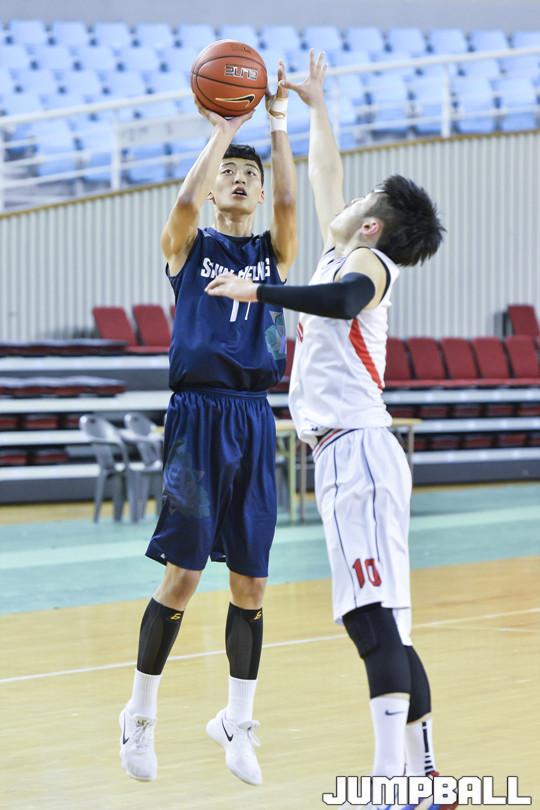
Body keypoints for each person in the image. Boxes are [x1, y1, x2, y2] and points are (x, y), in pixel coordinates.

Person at [206, 51, 456, 810]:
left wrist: (258, 290)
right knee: (388, 626)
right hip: (355, 453)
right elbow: (325, 173)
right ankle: (424, 780)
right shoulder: (344, 245)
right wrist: (315, 106)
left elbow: (344, 302)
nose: (345, 198)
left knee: (371, 620)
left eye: (363, 200)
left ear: (372, 223)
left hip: (357, 451)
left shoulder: (369, 263)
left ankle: (389, 784)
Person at [119, 63, 297, 786]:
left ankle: (237, 721)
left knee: (251, 583)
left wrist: (276, 125)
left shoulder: (274, 254)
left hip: (253, 417)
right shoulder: (187, 248)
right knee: (184, 574)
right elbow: (184, 202)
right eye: (231, 173)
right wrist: (222, 133)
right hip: (197, 417)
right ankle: (139, 714)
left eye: (249, 174)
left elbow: (290, 199)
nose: (241, 180)